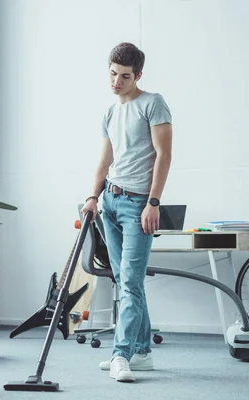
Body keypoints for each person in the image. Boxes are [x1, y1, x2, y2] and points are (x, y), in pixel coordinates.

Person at [81, 42, 173, 383]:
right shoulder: (109, 112)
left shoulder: (153, 104)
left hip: (138, 205)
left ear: (138, 76)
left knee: (131, 283)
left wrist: (153, 202)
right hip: (110, 202)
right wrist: (93, 196)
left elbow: (164, 155)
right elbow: (105, 160)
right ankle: (143, 352)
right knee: (125, 280)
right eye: (112, 74)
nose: (117, 82)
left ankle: (121, 355)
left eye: (124, 76)